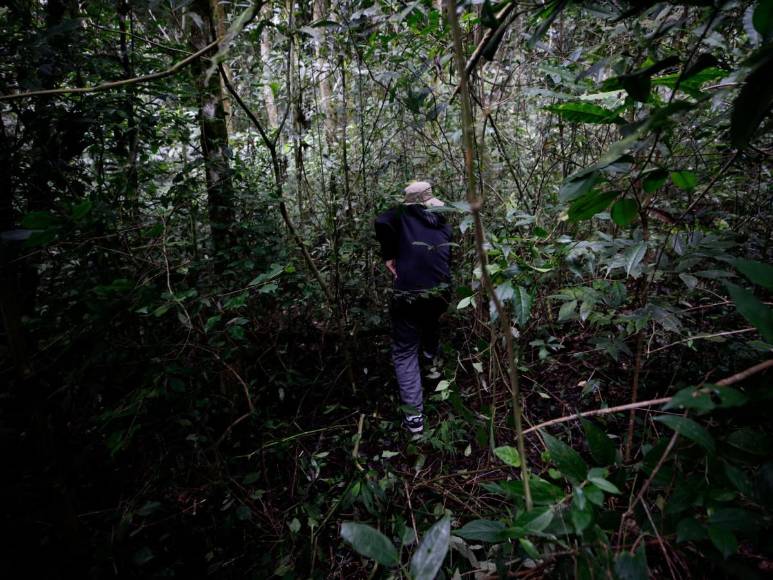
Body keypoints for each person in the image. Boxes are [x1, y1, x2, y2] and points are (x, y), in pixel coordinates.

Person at [374, 181, 453, 435]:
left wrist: (389, 255)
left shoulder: (400, 217)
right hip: (441, 293)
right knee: (430, 320)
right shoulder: (443, 223)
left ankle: (414, 417)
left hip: (409, 296)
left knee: (405, 351)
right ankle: (431, 364)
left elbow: (381, 221)